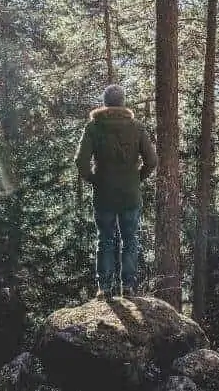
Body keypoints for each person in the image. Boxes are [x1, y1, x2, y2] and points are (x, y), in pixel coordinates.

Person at [74, 84, 157, 299]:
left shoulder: (93, 127)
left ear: (105, 102)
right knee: (130, 240)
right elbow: (152, 161)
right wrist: (136, 178)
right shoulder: (136, 127)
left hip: (104, 195)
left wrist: (95, 180)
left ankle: (104, 288)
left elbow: (80, 161)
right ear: (122, 102)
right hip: (130, 194)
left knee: (105, 240)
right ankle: (128, 287)